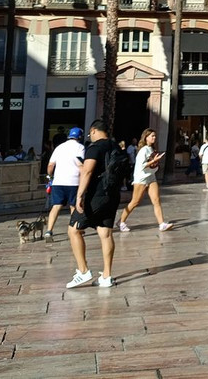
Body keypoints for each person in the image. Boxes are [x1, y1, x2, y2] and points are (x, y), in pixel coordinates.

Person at [67, 119, 118, 289]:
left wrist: (80, 195)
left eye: (90, 134)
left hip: (96, 195)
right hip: (112, 194)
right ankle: (106, 276)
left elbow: (88, 171)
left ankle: (83, 271)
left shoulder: (94, 147)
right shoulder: (116, 147)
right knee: (105, 233)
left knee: (74, 229)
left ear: (94, 131)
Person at [119, 129, 171, 232]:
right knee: (135, 201)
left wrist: (155, 162)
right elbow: (142, 165)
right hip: (141, 178)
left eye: (155, 136)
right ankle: (121, 221)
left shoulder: (151, 149)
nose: (154, 138)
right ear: (146, 137)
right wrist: (154, 161)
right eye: (152, 136)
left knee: (156, 200)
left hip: (151, 176)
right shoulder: (143, 150)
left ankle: (162, 224)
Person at [45, 127, 86, 241]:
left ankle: (49, 231)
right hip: (74, 182)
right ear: (80, 137)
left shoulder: (59, 147)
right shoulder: (80, 148)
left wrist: (50, 177)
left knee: (56, 206)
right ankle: (74, 230)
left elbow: (50, 165)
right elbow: (81, 165)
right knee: (74, 206)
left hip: (58, 182)